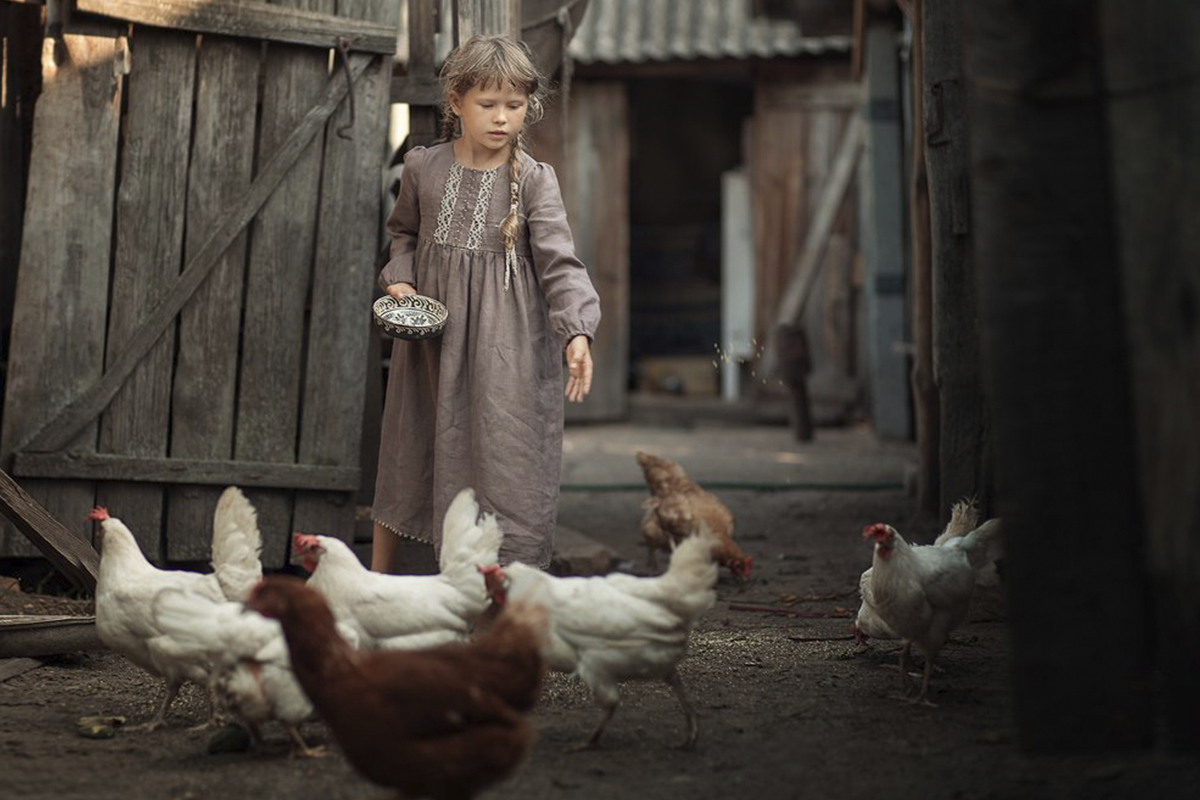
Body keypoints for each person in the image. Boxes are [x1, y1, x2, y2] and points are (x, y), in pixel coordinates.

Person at [371, 35, 601, 572]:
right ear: (456, 102)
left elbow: (560, 264)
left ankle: (510, 597)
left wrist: (578, 331)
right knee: (412, 448)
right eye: (488, 104)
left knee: (507, 459)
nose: (502, 118)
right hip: (433, 346)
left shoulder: (537, 183)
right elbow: (401, 234)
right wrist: (401, 283)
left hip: (509, 349)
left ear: (528, 107)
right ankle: (376, 587)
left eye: (514, 106)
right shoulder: (423, 169)